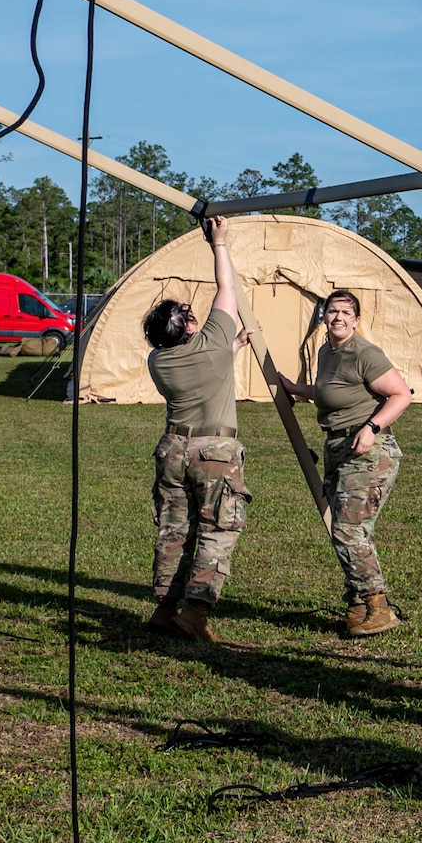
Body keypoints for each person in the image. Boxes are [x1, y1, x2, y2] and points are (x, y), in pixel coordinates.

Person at [277, 289, 414, 638]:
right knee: (347, 528)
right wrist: (295, 388)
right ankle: (357, 605)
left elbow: (401, 394)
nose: (337, 317)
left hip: (368, 449)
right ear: (324, 316)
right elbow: (329, 391)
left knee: (348, 530)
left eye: (344, 312)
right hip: (337, 446)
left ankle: (378, 607)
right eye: (331, 311)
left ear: (356, 319)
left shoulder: (363, 352)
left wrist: (371, 427)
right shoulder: (327, 352)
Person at [141, 216, 251, 644]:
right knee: (218, 528)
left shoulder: (160, 362)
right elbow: (227, 289)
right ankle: (197, 611)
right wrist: (218, 242)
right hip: (214, 451)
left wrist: (230, 349)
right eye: (189, 316)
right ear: (187, 327)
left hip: (173, 448)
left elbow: (207, 362)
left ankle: (165, 609)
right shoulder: (211, 344)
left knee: (175, 529)